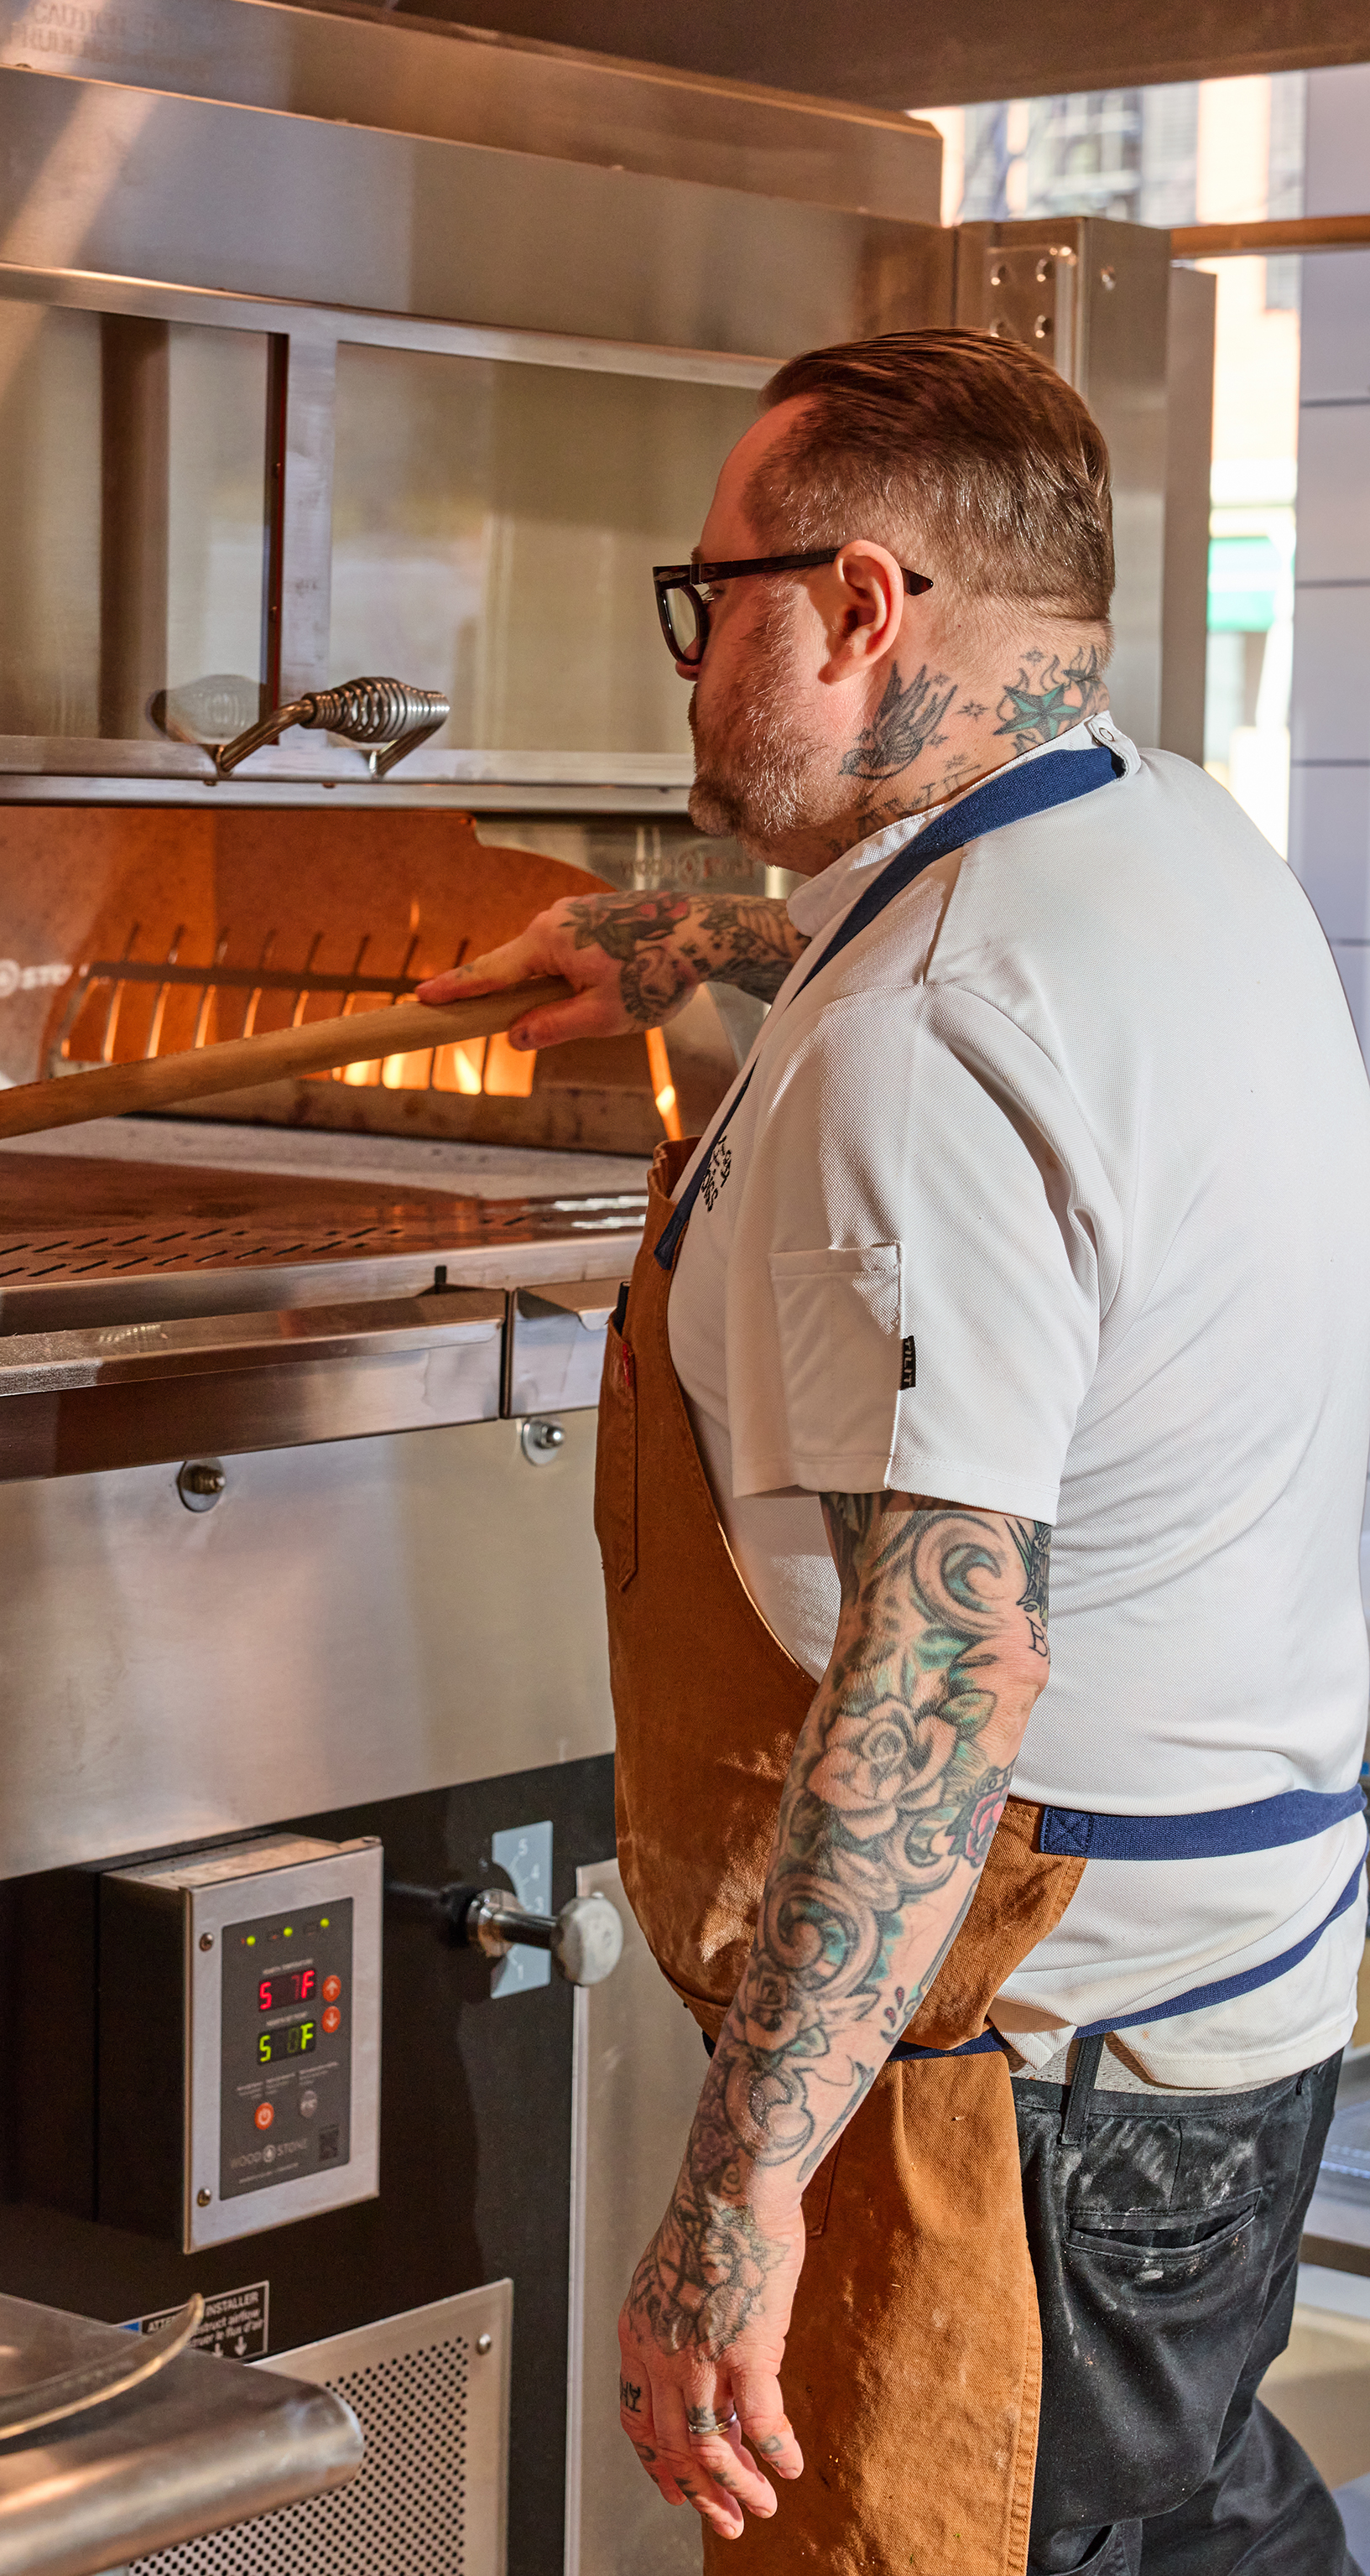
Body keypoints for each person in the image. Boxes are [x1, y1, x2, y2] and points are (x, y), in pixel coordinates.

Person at [419, 328, 1370, 2574]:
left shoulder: (919, 1054)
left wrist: (742, 2188)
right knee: (1190, 2525)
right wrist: (689, 942)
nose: (686, 664)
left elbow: (947, 1679)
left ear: (858, 609)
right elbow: (967, 959)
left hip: (1029, 2076)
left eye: (710, 598)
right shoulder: (1171, 842)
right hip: (1231, 1992)